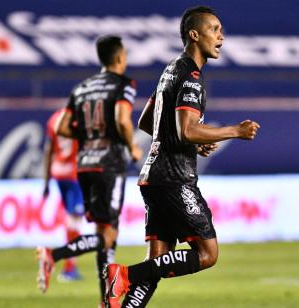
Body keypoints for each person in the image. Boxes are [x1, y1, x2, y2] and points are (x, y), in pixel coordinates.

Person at [103, 6, 260, 308]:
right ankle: (122, 275)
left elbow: (148, 121)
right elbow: (187, 130)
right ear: (194, 34)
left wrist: (194, 143)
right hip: (175, 180)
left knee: (157, 265)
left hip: (153, 177)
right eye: (215, 29)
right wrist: (234, 132)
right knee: (207, 254)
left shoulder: (172, 69)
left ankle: (122, 292)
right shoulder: (191, 75)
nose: (221, 37)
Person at [36, 35, 143, 305]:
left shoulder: (81, 88)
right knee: (109, 235)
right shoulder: (123, 84)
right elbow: (122, 119)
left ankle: (105, 300)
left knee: (102, 235)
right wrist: (132, 147)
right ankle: (55, 255)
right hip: (110, 164)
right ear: (120, 58)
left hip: (84, 165)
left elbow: (61, 126)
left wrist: (87, 133)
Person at [42, 108, 85, 282]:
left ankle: (67, 264)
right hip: (75, 175)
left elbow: (48, 151)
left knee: (71, 218)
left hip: (58, 173)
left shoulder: (54, 119)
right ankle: (68, 267)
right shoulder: (80, 120)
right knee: (74, 221)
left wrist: (46, 182)